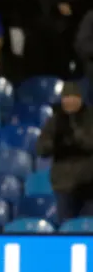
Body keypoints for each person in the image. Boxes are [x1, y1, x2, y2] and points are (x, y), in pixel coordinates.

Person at [37, 82, 93, 224]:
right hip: (63, 185)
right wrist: (56, 144)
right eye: (65, 97)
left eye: (72, 96)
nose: (69, 100)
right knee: (67, 227)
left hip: (89, 184)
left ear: (80, 98)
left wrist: (77, 137)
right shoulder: (54, 121)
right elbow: (41, 149)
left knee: (88, 227)